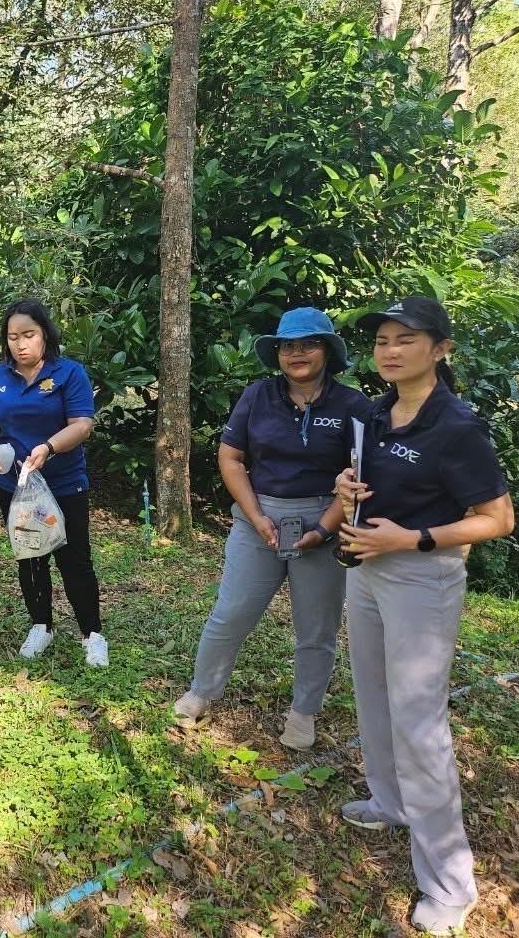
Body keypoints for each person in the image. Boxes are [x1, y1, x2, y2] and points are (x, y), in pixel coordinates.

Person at [336, 295, 514, 936]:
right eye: (382, 339)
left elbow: (497, 518)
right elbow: (374, 483)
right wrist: (346, 491)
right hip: (367, 570)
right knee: (372, 695)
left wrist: (409, 539)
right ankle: (389, 802)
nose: (388, 349)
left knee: (420, 722)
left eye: (404, 339)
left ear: (440, 349)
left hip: (421, 577)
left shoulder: (457, 426)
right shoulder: (375, 412)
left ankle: (450, 885)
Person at [173, 308, 367, 750]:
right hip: (257, 517)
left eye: (308, 344)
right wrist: (256, 515)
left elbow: (358, 474)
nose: (296, 353)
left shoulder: (353, 406)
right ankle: (202, 692)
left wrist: (324, 527)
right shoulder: (257, 396)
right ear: (276, 352)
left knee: (317, 627)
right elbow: (231, 458)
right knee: (232, 611)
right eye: (287, 345)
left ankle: (304, 712)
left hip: (325, 521)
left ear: (328, 350)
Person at [0, 299, 108, 666]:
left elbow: (82, 424)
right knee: (30, 557)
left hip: (65, 484)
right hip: (15, 487)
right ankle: (41, 625)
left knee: (75, 559)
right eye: (13, 337)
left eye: (29, 335)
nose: (21, 344)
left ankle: (91, 633)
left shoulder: (69, 373)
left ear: (45, 334)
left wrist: (48, 448)